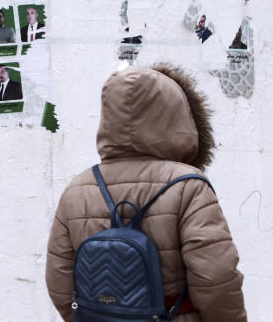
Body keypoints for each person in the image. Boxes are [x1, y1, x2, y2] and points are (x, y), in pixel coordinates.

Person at [46, 65, 247, 322]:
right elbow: (216, 276)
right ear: (176, 115)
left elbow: (59, 282)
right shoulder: (188, 185)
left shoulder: (77, 190)